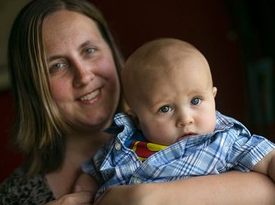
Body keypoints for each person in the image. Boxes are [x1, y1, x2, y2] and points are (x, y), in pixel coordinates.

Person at [0, 0, 275, 205]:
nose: (84, 75)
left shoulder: (214, 133)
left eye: (89, 51)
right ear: (33, 86)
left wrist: (146, 196)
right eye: (57, 66)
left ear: (112, 53)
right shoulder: (14, 197)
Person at [79, 38, 275, 200]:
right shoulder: (121, 145)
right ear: (137, 119)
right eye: (165, 108)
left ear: (213, 97)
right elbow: (90, 176)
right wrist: (84, 196)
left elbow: (269, 158)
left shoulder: (225, 140)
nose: (185, 118)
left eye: (196, 100)